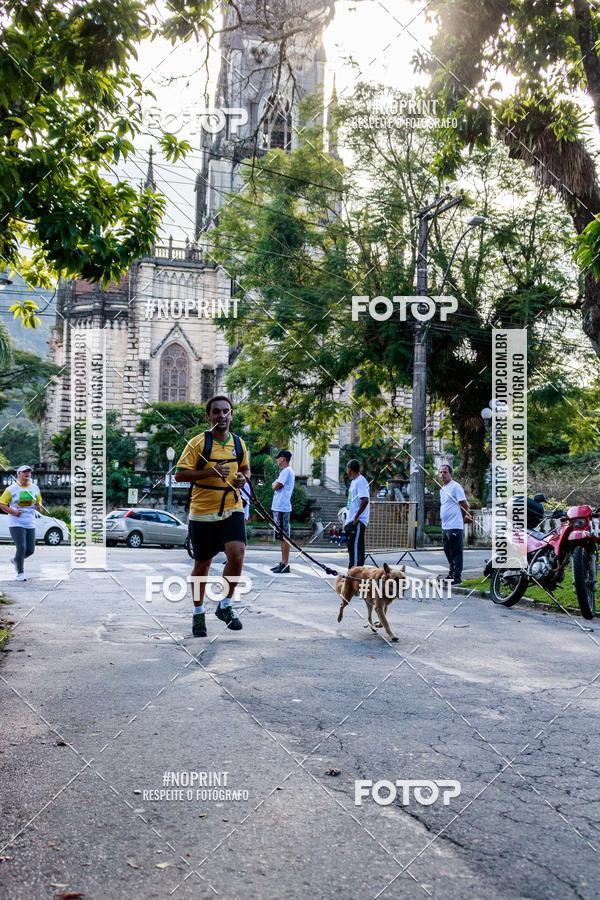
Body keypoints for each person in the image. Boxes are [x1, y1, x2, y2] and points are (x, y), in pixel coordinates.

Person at [175, 395, 250, 638]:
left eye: (226, 411)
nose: (221, 415)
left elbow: (245, 468)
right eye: (216, 411)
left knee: (237, 555)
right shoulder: (198, 443)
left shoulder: (238, 444)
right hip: (203, 512)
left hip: (232, 506)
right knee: (202, 565)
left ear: (231, 415)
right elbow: (180, 475)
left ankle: (225, 605)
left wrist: (243, 478)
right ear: (208, 416)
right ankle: (198, 612)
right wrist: (211, 471)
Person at [0, 465, 42, 582]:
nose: (27, 474)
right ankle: (20, 573)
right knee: (22, 547)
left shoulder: (35, 488)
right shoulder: (11, 489)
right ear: (18, 474)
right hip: (16, 522)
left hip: (30, 522)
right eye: (24, 472)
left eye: (29, 472)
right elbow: (2, 504)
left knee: (30, 550)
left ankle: (16, 560)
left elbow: (39, 502)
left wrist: (39, 506)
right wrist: (13, 512)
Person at [438, 464, 471, 585]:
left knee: (456, 552)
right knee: (448, 551)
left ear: (450, 474)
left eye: (445, 472)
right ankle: (451, 574)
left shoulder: (455, 487)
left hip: (455, 526)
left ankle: (457, 577)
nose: (443, 474)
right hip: (445, 526)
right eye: (441, 472)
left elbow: (465, 505)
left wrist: (461, 518)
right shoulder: (442, 489)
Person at [270, 450, 295, 574]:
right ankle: (283, 562)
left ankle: (285, 564)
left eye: (278, 457)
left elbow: (276, 486)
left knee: (284, 536)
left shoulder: (287, 471)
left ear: (283, 458)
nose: (277, 460)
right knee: (282, 537)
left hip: (282, 507)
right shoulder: (285, 471)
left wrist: (274, 484)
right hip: (279, 507)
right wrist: (274, 484)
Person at [345, 459, 370, 568]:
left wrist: (356, 517)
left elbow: (365, 500)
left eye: (347, 469)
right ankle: (352, 570)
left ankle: (355, 572)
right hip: (351, 521)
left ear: (350, 469)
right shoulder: (354, 482)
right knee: (351, 548)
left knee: (356, 549)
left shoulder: (360, 481)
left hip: (358, 522)